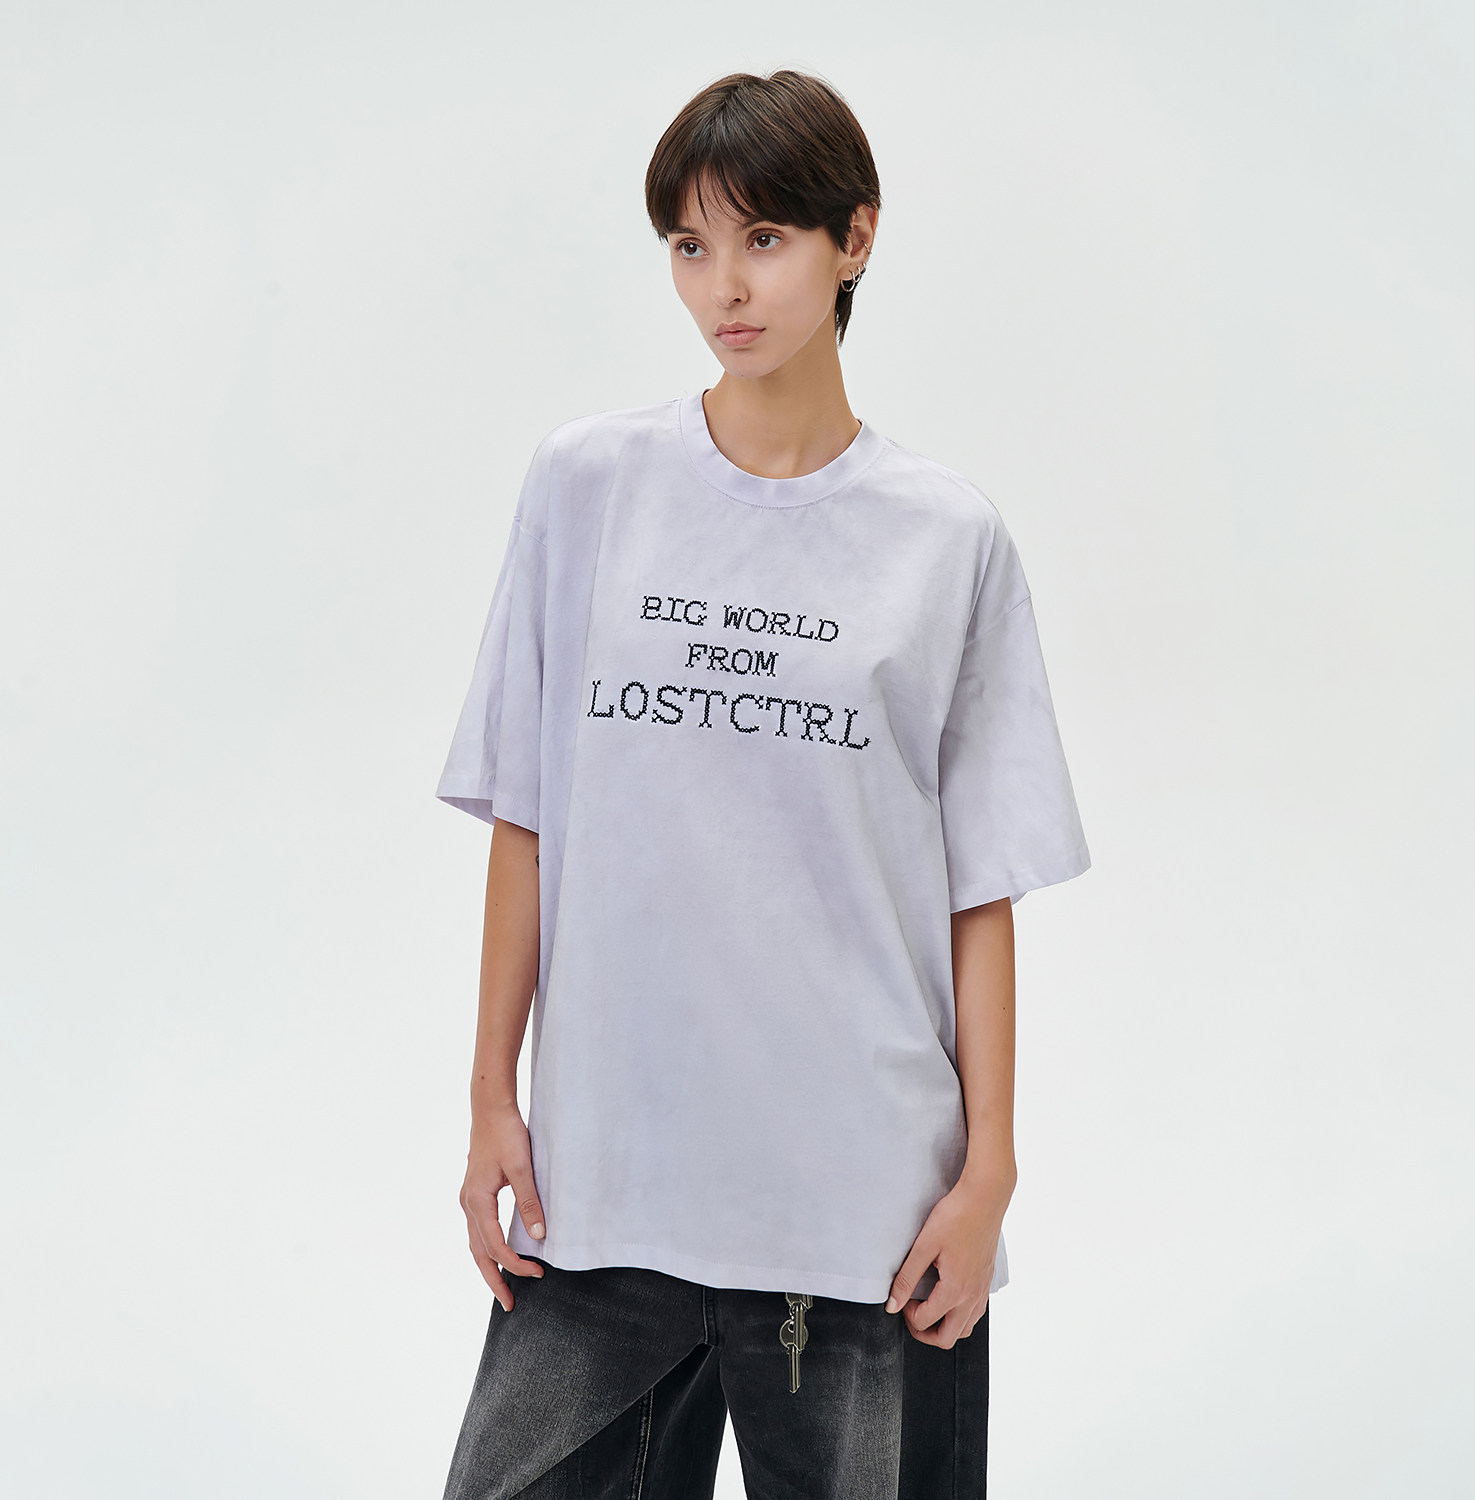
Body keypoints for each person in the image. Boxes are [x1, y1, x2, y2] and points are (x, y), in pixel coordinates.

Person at [433, 68, 1090, 1500]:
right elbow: (525, 817)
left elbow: (979, 888)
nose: (723, 285)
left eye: (765, 239)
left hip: (862, 1211)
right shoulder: (586, 487)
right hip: (605, 1187)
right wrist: (490, 1099)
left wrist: (988, 1171)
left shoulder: (946, 541)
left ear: (857, 238)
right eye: (690, 245)